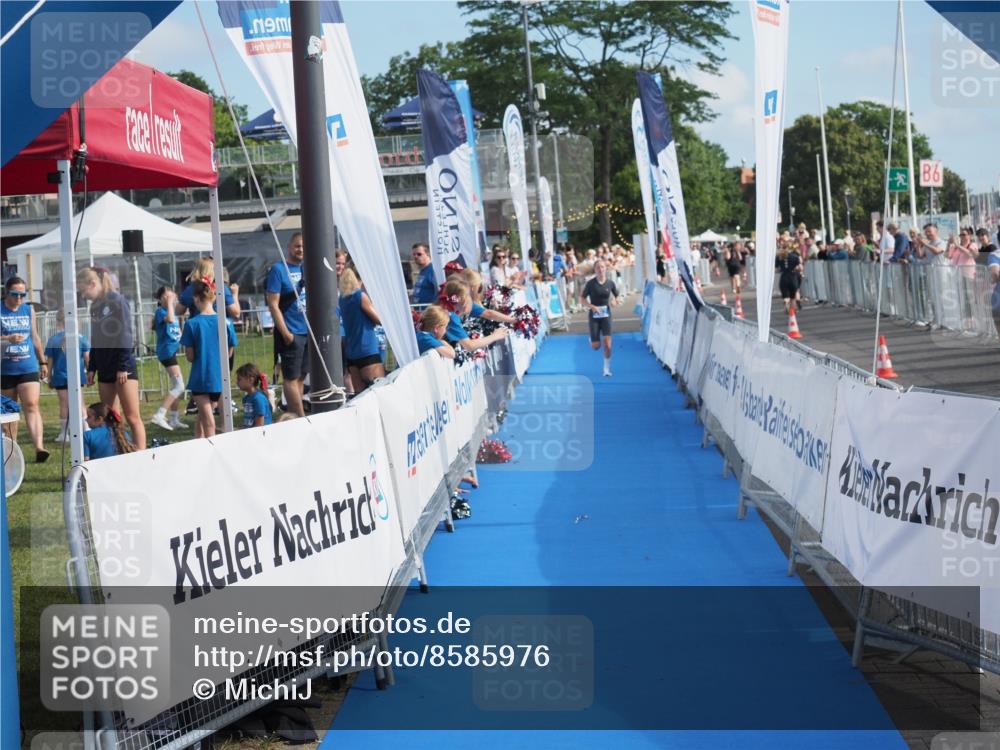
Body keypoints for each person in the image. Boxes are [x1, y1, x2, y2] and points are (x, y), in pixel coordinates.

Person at [77, 267, 146, 451]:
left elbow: (125, 334)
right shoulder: (95, 306)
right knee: (111, 416)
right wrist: (92, 367)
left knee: (132, 416)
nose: (83, 295)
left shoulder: (117, 301)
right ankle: (119, 451)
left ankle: (141, 454)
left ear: (93, 284)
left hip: (122, 367)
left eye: (84, 290)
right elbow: (96, 338)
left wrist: (123, 366)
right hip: (105, 367)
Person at [180, 280, 236, 438]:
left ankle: (209, 455)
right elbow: (230, 351)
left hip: (200, 378)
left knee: (208, 422)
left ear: (196, 299)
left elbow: (190, 357)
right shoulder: (226, 322)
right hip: (220, 378)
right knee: (208, 418)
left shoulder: (191, 324)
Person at [1, 276, 49, 461]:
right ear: (7, 292)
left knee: (31, 404)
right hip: (6, 367)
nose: (19, 298)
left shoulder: (28, 310)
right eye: (15, 294)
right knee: (10, 410)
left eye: (23, 294)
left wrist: (43, 361)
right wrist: (7, 339)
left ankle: (39, 448)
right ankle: (11, 450)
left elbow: (35, 337)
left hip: (28, 365)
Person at [267, 233, 308, 417]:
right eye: (297, 246)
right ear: (289, 247)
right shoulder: (278, 270)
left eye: (303, 246)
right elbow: (273, 303)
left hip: (307, 331)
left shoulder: (307, 267)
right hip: (291, 331)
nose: (300, 250)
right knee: (290, 378)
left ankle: (295, 415)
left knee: (300, 376)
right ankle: (300, 418)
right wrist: (286, 333)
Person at [44, 309, 90, 443]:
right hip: (77, 376)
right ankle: (85, 428)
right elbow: (87, 358)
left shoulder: (53, 340)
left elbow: (50, 361)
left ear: (59, 322)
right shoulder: (81, 338)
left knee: (64, 404)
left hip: (60, 377)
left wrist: (49, 377)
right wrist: (90, 372)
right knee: (80, 402)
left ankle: (64, 434)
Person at [337, 268, 385, 392]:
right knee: (378, 390)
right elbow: (379, 320)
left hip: (352, 351)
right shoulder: (360, 296)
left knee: (359, 394)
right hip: (367, 349)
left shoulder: (342, 299)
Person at [148, 286, 186, 431]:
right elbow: (170, 320)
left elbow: (176, 328)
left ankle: (174, 419)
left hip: (172, 351)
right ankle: (159, 414)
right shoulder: (160, 312)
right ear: (161, 299)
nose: (172, 299)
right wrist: (169, 303)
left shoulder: (171, 311)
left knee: (175, 385)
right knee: (179, 386)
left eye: (172, 296)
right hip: (166, 352)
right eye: (167, 297)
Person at [440, 280, 509, 351]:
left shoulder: (458, 306)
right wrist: (495, 336)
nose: (471, 300)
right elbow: (469, 346)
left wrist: (513, 320)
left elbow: (489, 313)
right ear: (463, 302)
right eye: (469, 297)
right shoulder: (451, 317)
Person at [582, 259, 620, 377]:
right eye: (598, 267)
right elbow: (581, 299)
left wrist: (615, 301)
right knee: (596, 347)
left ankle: (606, 369)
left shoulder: (610, 283)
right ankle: (592, 340)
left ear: (605, 269)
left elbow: (618, 296)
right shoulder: (590, 283)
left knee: (608, 345)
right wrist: (591, 306)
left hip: (606, 316)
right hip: (594, 316)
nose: (600, 269)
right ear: (595, 270)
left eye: (602, 267)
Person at [175, 257, 241, 320]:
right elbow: (236, 314)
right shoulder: (221, 288)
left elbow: (178, 311)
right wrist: (235, 295)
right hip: (218, 327)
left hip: (198, 327)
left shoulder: (191, 289)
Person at [236, 362, 273, 428]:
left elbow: (259, 425)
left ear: (251, 380)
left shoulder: (258, 399)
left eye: (239, 379)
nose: (237, 382)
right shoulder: (246, 399)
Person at [776, 245, 803, 314]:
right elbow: (800, 268)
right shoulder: (794, 256)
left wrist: (783, 269)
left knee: (786, 294)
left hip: (784, 277)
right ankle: (793, 310)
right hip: (793, 276)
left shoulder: (779, 257)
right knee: (792, 296)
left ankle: (786, 302)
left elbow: (777, 269)